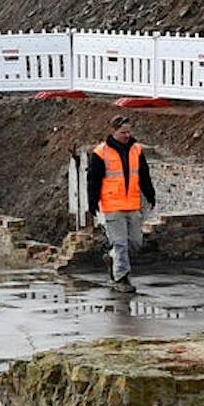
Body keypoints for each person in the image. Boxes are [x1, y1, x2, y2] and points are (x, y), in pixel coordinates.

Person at [86, 117, 157, 294]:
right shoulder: (101, 152)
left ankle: (112, 259)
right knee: (120, 244)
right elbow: (93, 180)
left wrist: (150, 195)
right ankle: (122, 279)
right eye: (123, 132)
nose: (127, 135)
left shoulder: (136, 149)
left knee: (135, 243)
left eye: (129, 131)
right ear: (113, 131)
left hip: (132, 204)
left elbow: (143, 174)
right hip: (112, 205)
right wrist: (92, 202)